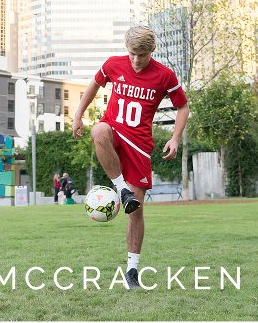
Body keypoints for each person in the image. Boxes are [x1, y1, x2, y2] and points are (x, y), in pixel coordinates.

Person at [73, 26, 189, 289]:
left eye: (142, 54)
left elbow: (183, 106)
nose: (136, 60)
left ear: (152, 50)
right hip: (114, 132)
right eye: (132, 53)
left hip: (139, 146)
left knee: (135, 211)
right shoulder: (114, 65)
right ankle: (120, 188)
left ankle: (132, 272)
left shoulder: (164, 75)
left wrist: (174, 138)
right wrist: (79, 114)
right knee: (99, 129)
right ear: (126, 49)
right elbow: (93, 85)